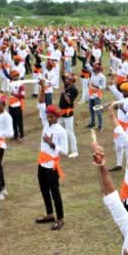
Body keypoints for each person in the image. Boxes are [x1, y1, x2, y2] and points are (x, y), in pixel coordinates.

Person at [35, 79, 68, 230]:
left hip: (52, 166)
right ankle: (49, 214)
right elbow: (41, 103)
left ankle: (60, 218)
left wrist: (52, 144)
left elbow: (65, 151)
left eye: (52, 116)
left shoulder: (61, 131)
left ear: (57, 117)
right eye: (48, 116)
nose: (49, 118)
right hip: (41, 163)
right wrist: (42, 87)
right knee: (43, 189)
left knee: (55, 192)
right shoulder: (45, 123)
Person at [109, 82, 128, 171]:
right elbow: (115, 91)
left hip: (127, 128)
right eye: (122, 91)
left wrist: (123, 109)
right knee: (118, 146)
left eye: (124, 91)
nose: (122, 93)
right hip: (118, 126)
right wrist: (111, 82)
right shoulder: (122, 97)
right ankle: (119, 165)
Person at [58, 74, 79, 158]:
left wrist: (64, 94)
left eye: (68, 79)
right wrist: (62, 62)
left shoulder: (74, 90)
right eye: (67, 78)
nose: (66, 79)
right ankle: (63, 149)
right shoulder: (67, 86)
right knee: (60, 131)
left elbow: (69, 101)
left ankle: (75, 151)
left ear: (72, 81)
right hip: (61, 113)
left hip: (68, 114)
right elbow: (62, 74)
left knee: (70, 132)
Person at [86, 63, 106, 130]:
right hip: (91, 95)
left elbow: (103, 86)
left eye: (94, 68)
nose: (92, 68)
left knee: (98, 111)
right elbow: (87, 65)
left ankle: (100, 125)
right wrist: (89, 83)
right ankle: (92, 123)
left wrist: (96, 86)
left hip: (97, 96)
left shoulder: (102, 77)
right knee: (91, 110)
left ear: (97, 69)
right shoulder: (93, 73)